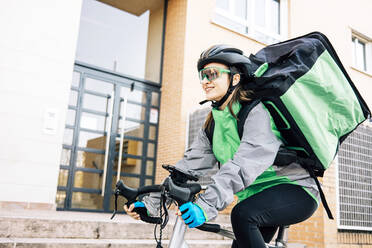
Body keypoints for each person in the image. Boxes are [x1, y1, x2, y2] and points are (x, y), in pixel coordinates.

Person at [125, 45, 319, 247]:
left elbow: (244, 163)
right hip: (256, 196)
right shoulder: (212, 124)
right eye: (203, 75)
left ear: (235, 79)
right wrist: (151, 204)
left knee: (243, 215)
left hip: (296, 189)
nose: (205, 81)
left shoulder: (256, 112)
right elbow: (186, 168)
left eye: (212, 74)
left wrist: (207, 204)